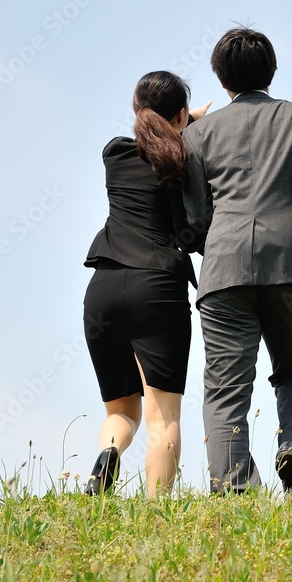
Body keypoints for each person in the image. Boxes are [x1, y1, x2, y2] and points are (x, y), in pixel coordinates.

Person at [183, 27, 292, 495]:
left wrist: (216, 241)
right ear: (272, 70)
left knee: (226, 389)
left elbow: (194, 214)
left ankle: (234, 491)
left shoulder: (197, 133)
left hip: (224, 269)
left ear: (220, 79)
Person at [81, 71, 210, 496]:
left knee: (122, 412)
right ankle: (156, 515)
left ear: (136, 109)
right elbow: (192, 229)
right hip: (157, 288)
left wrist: (182, 119)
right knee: (163, 418)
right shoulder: (183, 162)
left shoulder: (114, 153)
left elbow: (153, 135)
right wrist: (190, 123)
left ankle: (109, 453)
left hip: (104, 288)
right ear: (179, 116)